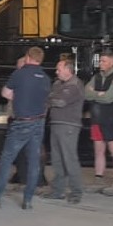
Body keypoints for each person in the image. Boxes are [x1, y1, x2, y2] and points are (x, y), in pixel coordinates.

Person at [0, 47, 51, 210]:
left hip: (21, 123)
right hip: (39, 123)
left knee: (7, 159)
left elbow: (5, 93)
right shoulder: (46, 78)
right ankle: (28, 200)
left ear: (28, 57)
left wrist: (20, 96)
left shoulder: (20, 74)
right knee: (34, 162)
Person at [41, 53, 84, 203]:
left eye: (59, 69)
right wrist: (51, 99)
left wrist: (49, 99)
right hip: (56, 124)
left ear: (68, 70)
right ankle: (57, 190)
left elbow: (60, 102)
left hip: (68, 126)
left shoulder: (75, 85)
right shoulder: (58, 84)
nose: (56, 72)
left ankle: (76, 192)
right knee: (57, 160)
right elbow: (52, 99)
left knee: (69, 159)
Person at [84, 49, 113, 196]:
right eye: (100, 61)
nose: (100, 63)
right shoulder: (97, 76)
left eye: (104, 61)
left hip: (112, 120)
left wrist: (95, 94)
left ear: (112, 62)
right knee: (99, 150)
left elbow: (109, 98)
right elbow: (86, 93)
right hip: (97, 119)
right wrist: (100, 94)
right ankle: (98, 179)